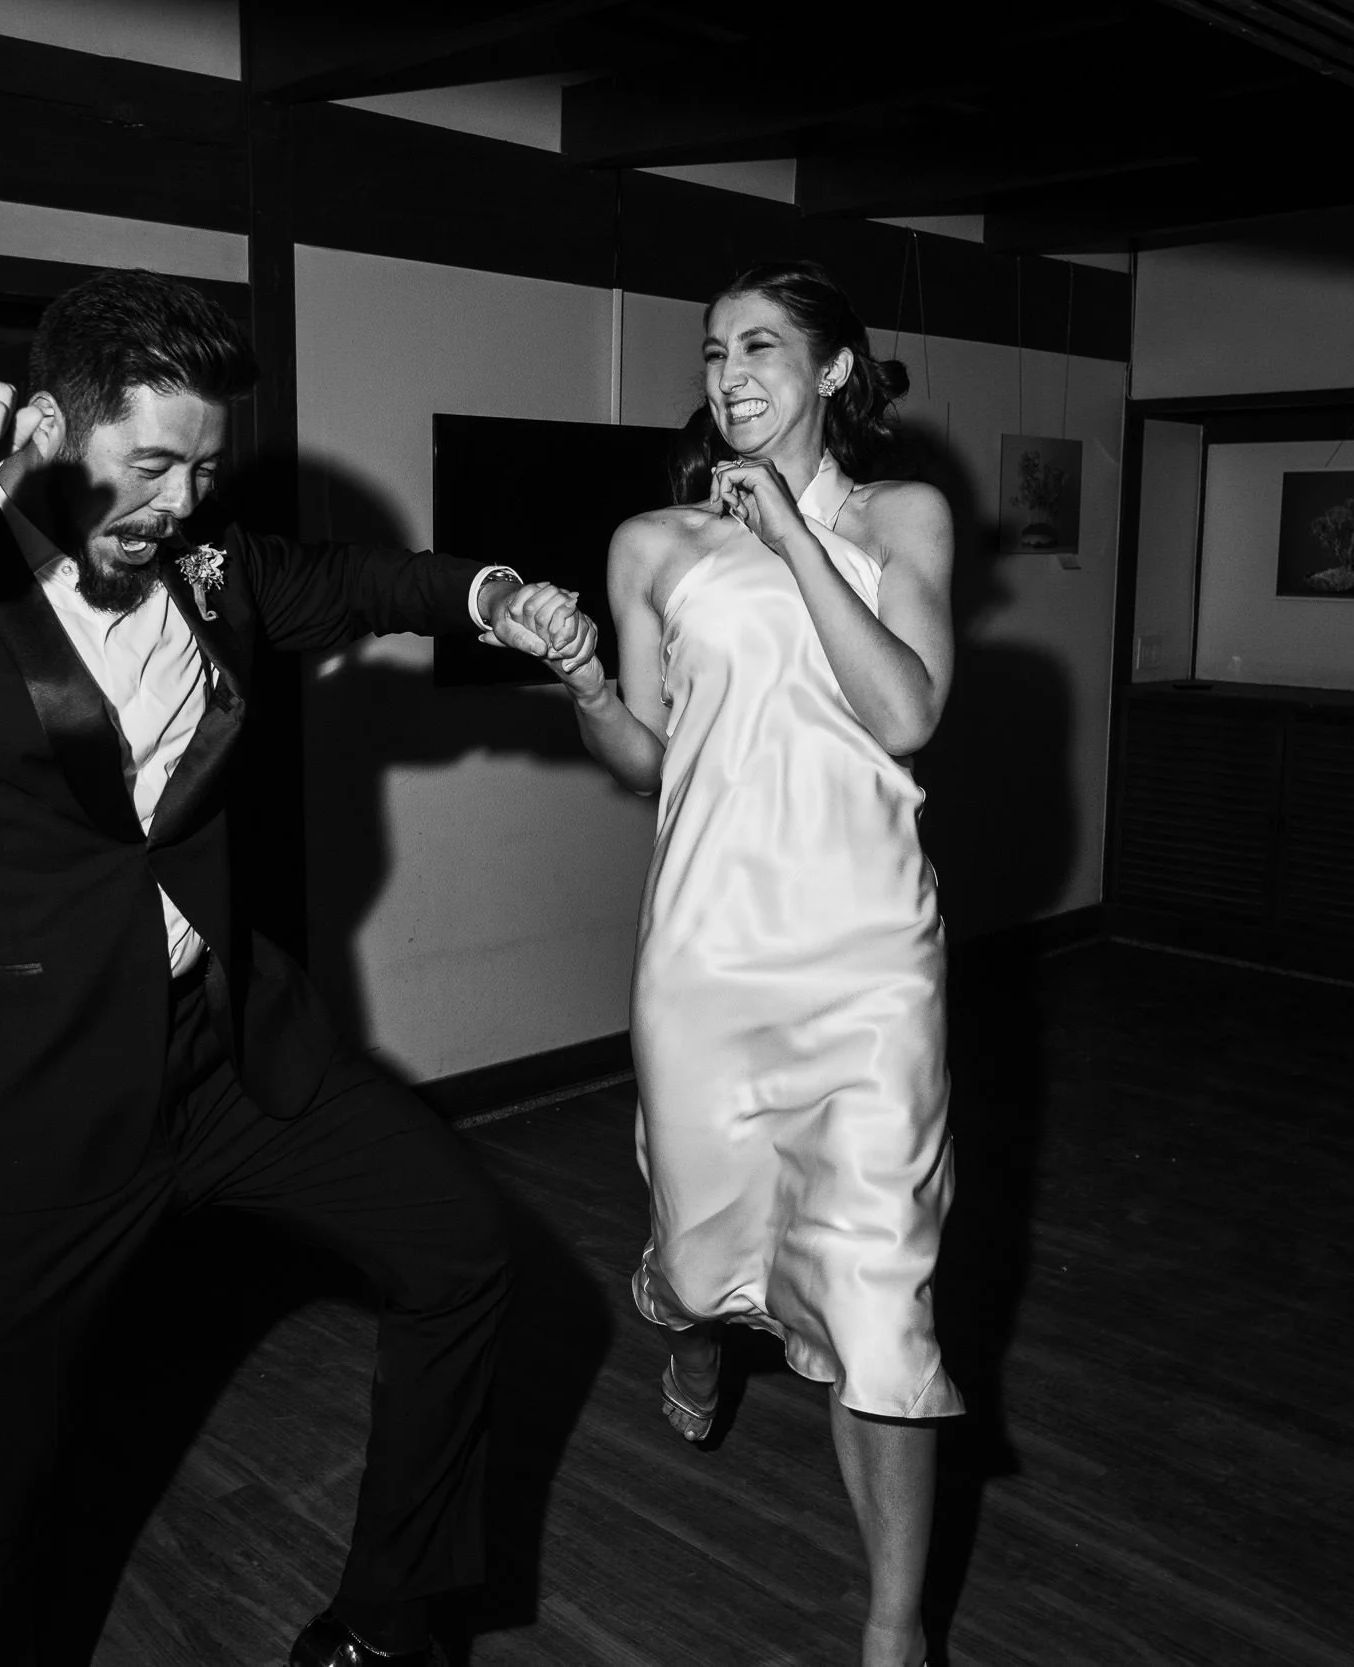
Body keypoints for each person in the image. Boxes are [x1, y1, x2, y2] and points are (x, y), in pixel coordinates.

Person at [0, 268, 587, 1667]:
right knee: (13, 1471)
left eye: (204, 467)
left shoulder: (213, 567)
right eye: (150, 460)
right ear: (50, 424)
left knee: (465, 1251)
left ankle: (388, 1623)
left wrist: (494, 590)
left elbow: (365, 580)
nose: (180, 499)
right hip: (14, 1106)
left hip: (222, 1054)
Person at [538, 259, 959, 1667]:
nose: (730, 372)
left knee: (882, 1286)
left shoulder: (901, 515)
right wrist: (590, 682)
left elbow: (904, 711)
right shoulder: (652, 542)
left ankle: (893, 1626)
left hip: (870, 954)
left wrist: (789, 534)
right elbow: (651, 759)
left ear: (835, 370)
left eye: (764, 345)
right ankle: (706, 1324)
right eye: (715, 348)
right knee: (703, 1235)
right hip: (710, 946)